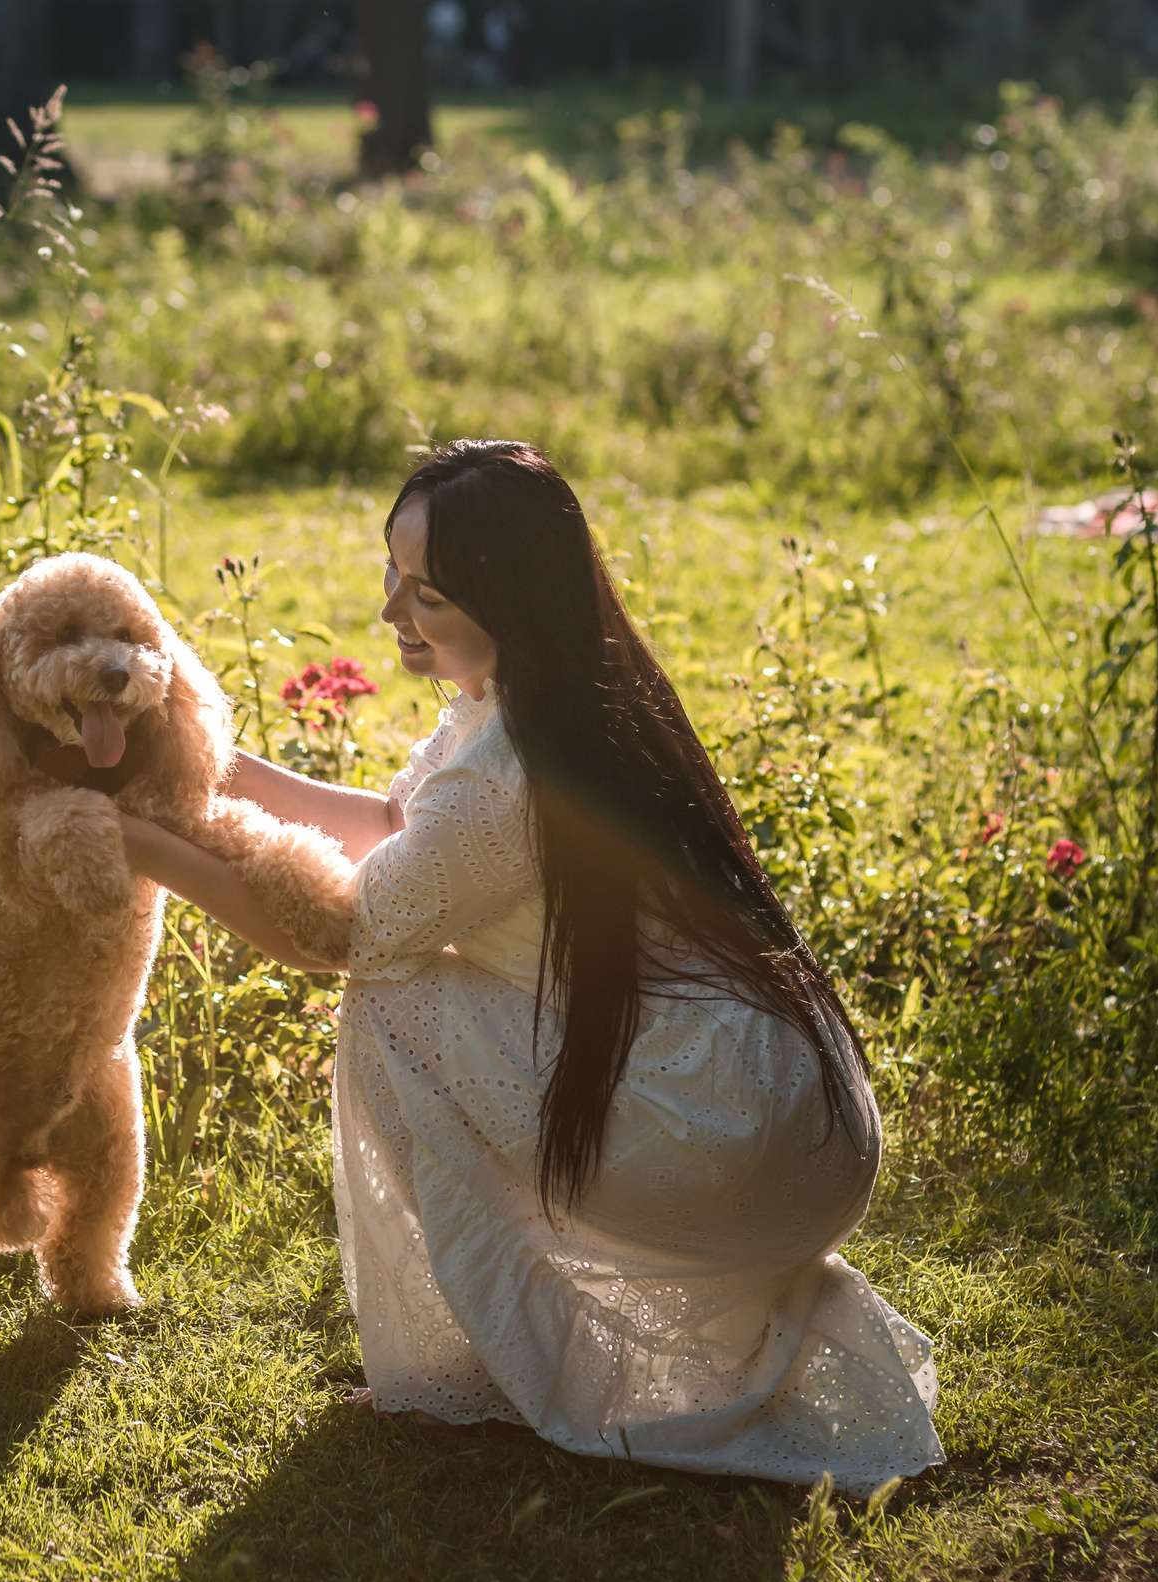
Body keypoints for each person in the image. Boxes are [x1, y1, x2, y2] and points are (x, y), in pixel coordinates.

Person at [116, 441, 942, 1485]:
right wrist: (198, 765)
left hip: (737, 1126)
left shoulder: (502, 776)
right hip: (791, 1098)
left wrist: (136, 846)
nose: (391, 614)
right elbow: (387, 822)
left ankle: (469, 1371)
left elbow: (328, 936)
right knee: (406, 978)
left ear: (505, 596)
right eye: (392, 572)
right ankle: (515, 1347)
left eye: (426, 593)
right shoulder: (565, 690)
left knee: (392, 997)